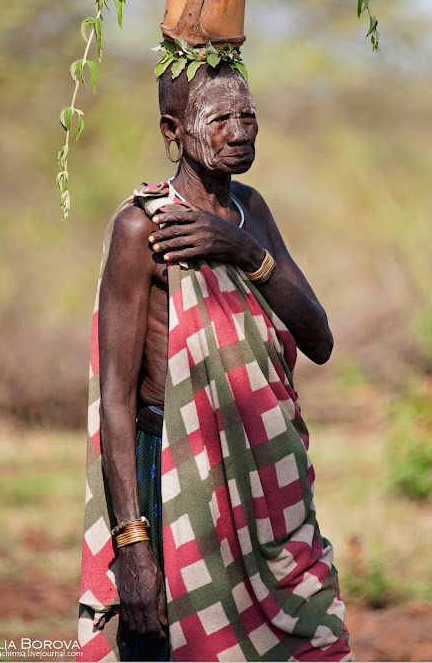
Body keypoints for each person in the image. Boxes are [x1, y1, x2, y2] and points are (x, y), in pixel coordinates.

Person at [79, 61, 351, 662]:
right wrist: (132, 546)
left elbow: (320, 339)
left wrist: (244, 250)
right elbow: (117, 400)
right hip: (173, 481)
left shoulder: (252, 212)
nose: (240, 131)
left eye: (248, 115)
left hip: (266, 488)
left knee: (313, 634)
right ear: (172, 130)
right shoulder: (141, 228)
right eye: (219, 118)